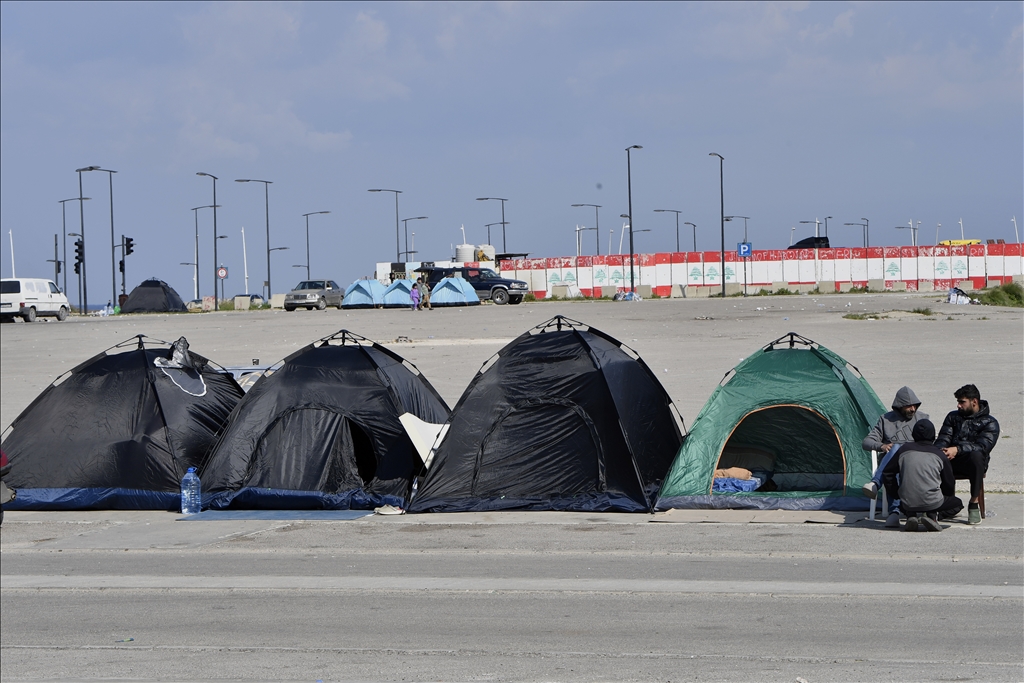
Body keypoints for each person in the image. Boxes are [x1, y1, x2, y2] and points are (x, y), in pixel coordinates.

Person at [861, 386, 928, 526]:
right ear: (900, 406)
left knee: (898, 449)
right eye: (908, 406)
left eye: (914, 405)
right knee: (894, 458)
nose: (912, 409)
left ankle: (875, 484)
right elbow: (866, 442)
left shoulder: (922, 419)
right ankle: (894, 512)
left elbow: (929, 441)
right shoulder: (885, 420)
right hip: (891, 464)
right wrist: (882, 446)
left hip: (914, 460)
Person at [934, 384, 999, 525]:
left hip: (973, 463)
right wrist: (942, 451)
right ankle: (947, 503)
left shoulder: (990, 423)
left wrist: (957, 449)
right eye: (958, 402)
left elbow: (982, 447)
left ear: (974, 402)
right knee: (936, 456)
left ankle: (974, 503)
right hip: (951, 460)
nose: (958, 405)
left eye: (962, 402)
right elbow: (943, 439)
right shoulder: (952, 417)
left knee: (976, 456)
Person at [880, 420, 962, 532]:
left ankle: (911, 516)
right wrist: (943, 495)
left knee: (909, 500)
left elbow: (887, 473)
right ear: (933, 436)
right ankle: (933, 517)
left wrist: (896, 493)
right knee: (957, 504)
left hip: (906, 502)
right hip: (933, 502)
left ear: (913, 435)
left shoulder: (903, 450)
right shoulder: (939, 454)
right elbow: (949, 482)